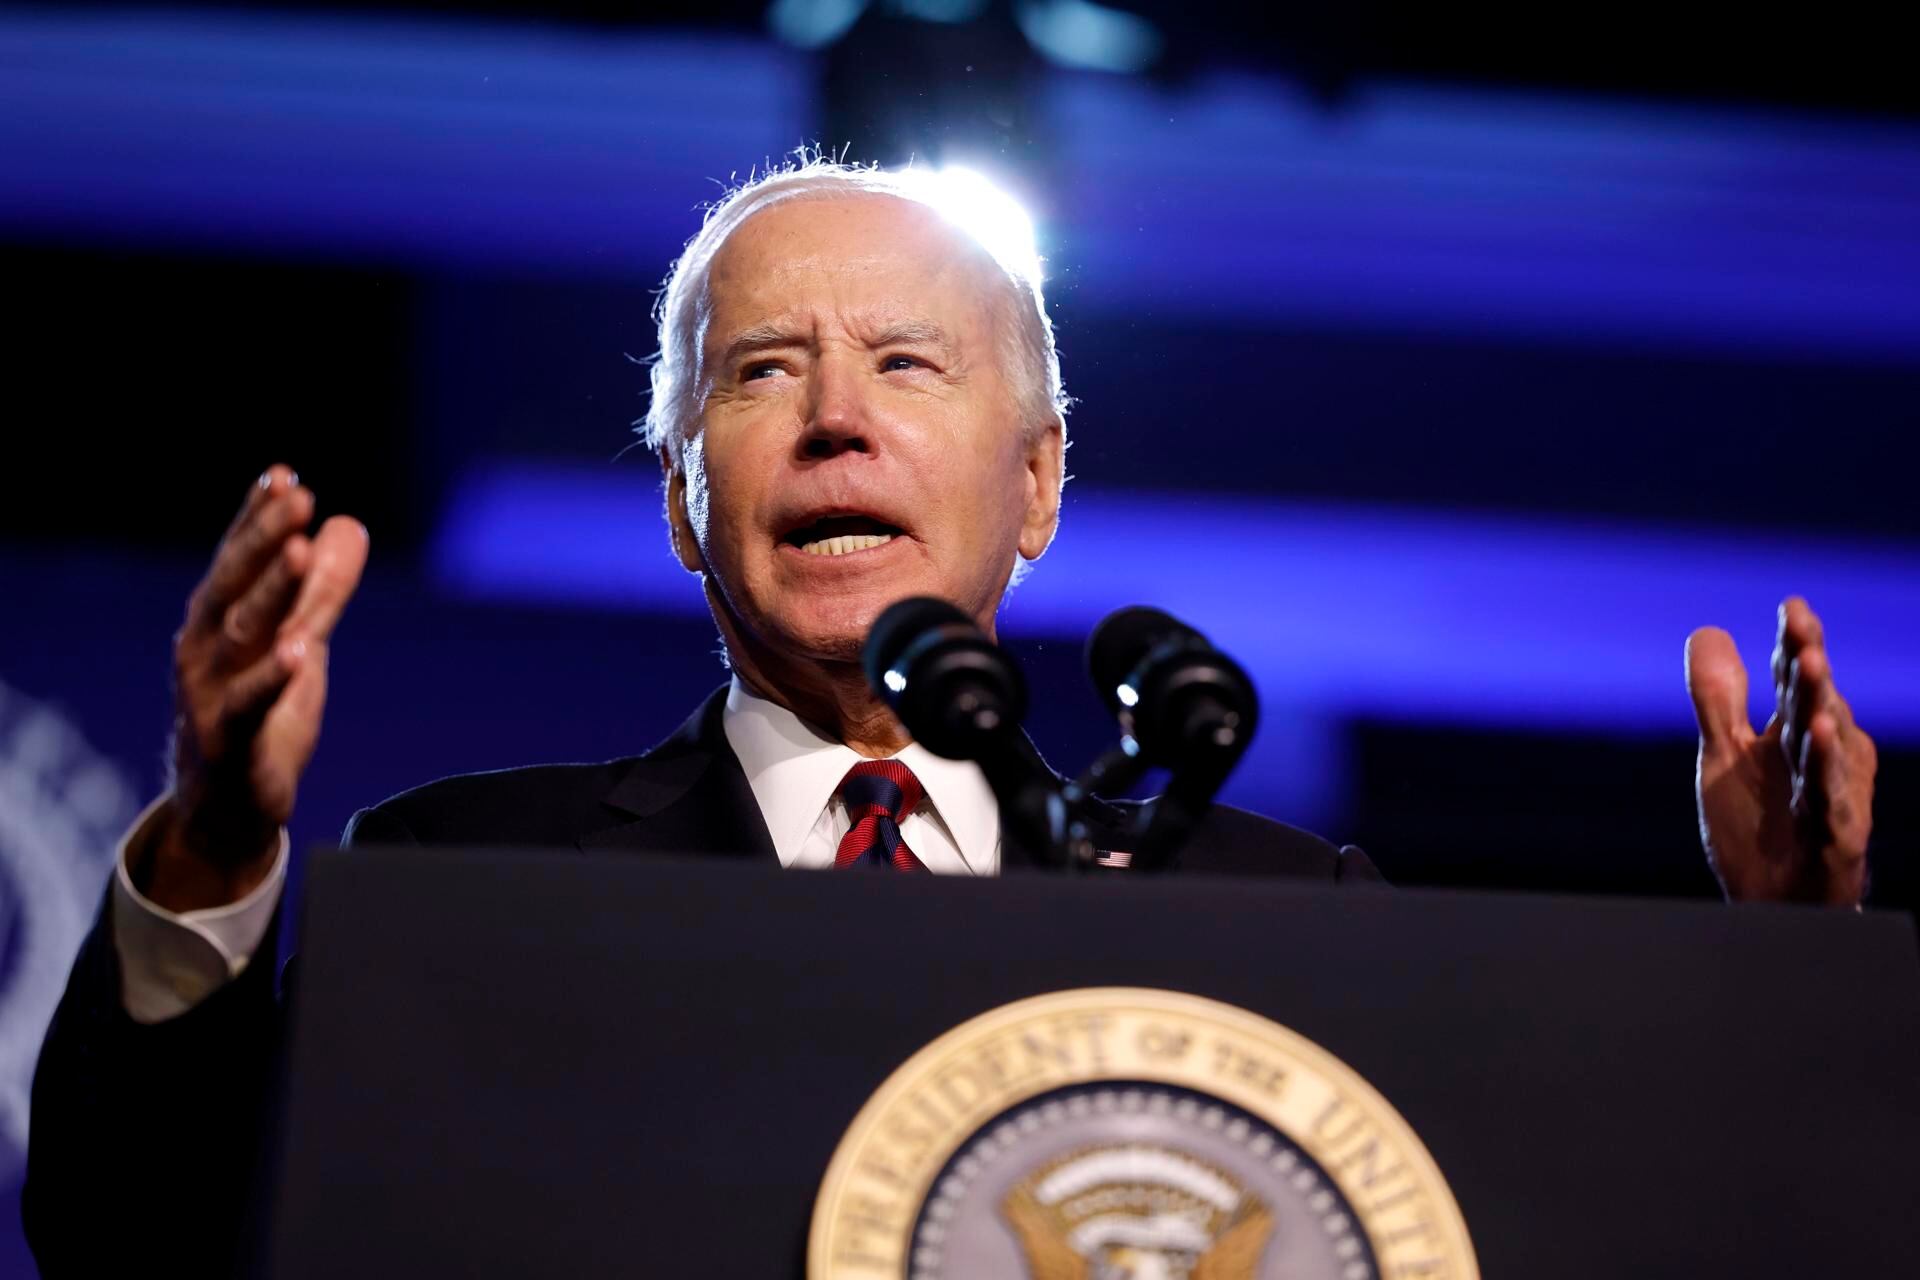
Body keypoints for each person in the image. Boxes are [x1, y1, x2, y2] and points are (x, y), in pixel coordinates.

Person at [23, 160, 1879, 1273]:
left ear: (1038, 483)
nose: (836, 416)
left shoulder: (1285, 915)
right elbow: (138, 1254)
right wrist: (214, 840)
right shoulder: (464, 876)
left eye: (906, 363)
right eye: (763, 373)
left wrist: (1789, 982)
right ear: (681, 493)